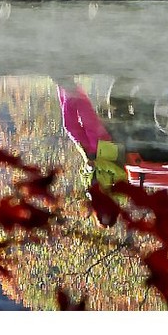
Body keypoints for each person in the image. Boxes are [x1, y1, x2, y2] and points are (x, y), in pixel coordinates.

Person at [52, 77, 126, 225]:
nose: (102, 211)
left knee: (69, 126)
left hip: (88, 153)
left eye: (101, 215)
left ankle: (63, 87)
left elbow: (83, 174)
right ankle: (72, 87)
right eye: (106, 214)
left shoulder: (91, 195)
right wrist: (98, 165)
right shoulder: (119, 194)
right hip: (104, 147)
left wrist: (88, 168)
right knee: (86, 117)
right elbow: (120, 172)